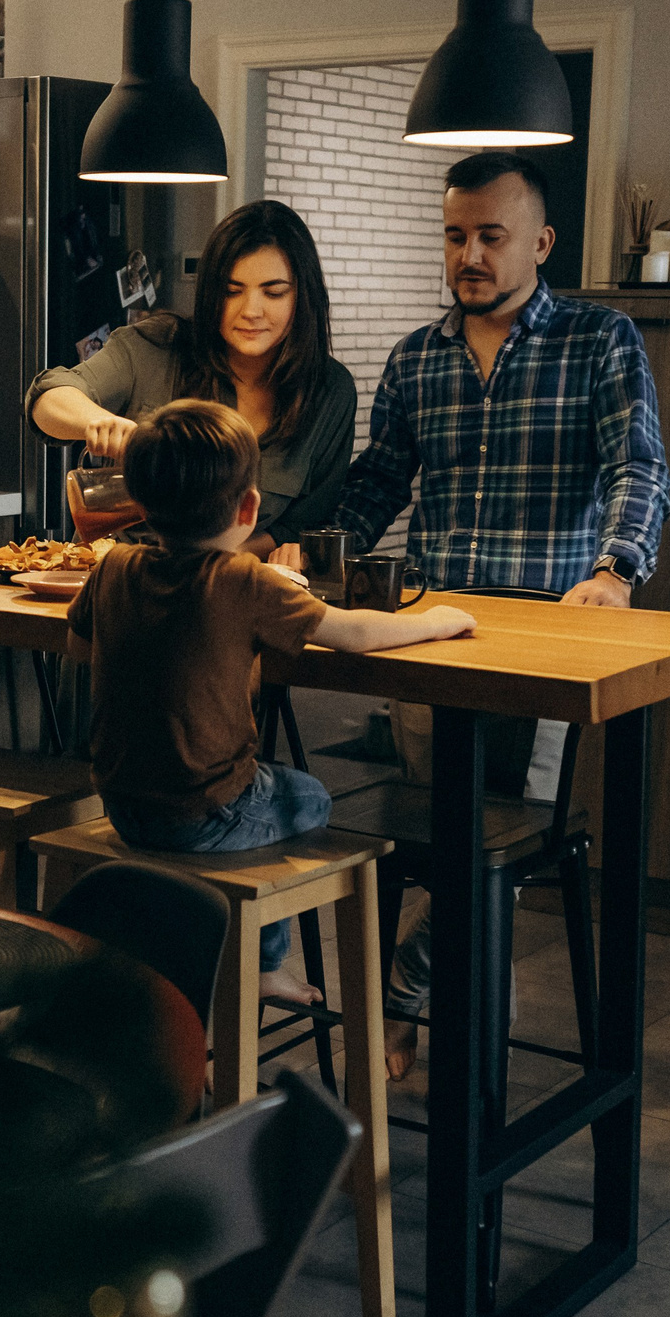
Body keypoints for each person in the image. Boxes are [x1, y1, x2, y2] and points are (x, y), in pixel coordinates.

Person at [331, 152, 670, 1075]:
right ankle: (459, 1061)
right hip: (427, 640)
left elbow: (638, 467)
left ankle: (397, 994)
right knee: (442, 841)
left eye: (491, 235)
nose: (469, 254)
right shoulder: (414, 359)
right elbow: (376, 485)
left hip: (547, 649)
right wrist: (308, 552)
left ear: (540, 242)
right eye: (455, 235)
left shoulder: (600, 342)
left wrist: (616, 570)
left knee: (500, 846)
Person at [67, 400, 474, 1005]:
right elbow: (357, 635)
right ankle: (263, 961)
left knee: (268, 787)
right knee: (308, 796)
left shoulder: (114, 568)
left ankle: (179, 952)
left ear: (139, 503)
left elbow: (75, 647)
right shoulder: (244, 581)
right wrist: (440, 620)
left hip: (120, 804)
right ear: (249, 507)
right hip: (204, 815)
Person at [29, 200, 356, 554]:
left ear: (303, 296)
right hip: (119, 578)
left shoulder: (329, 391)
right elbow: (46, 398)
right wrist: (99, 421)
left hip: (229, 589)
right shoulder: (157, 346)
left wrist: (207, 565)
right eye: (232, 291)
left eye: (273, 292)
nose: (250, 311)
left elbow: (300, 524)